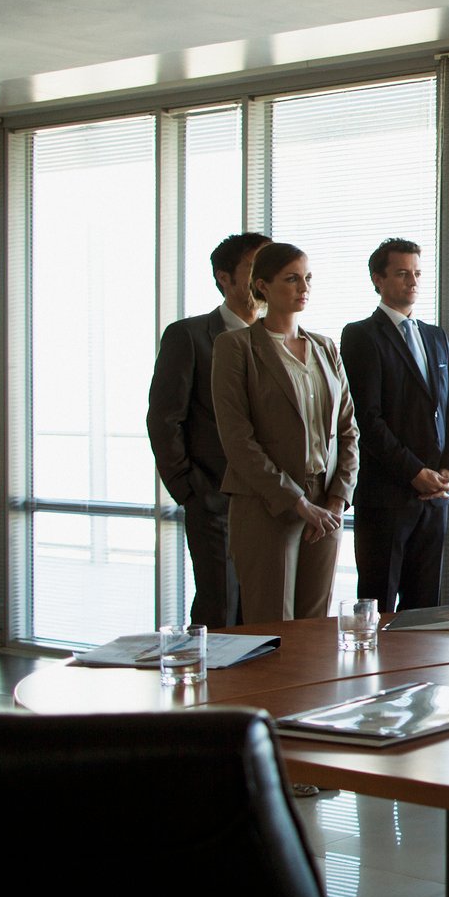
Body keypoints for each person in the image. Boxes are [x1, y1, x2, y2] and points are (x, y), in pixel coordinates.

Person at [212, 242, 359, 623]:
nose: (303, 287)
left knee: (315, 629)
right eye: (291, 279)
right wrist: (297, 502)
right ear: (262, 285)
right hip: (266, 503)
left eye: (307, 278)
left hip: (325, 503)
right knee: (273, 627)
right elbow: (237, 440)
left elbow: (348, 432)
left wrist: (337, 500)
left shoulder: (326, 347)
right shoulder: (235, 347)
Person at [146, 232, 268, 629]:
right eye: (253, 270)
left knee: (268, 618)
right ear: (225, 278)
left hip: (275, 503)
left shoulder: (283, 340)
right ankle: (212, 692)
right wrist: (191, 490)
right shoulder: (190, 335)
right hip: (215, 498)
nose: (262, 281)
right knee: (221, 611)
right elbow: (164, 419)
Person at [340, 238, 449, 612]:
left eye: (417, 273)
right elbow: (367, 419)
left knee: (424, 611)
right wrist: (414, 472)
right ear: (378, 279)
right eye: (402, 273)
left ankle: (419, 674)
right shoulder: (361, 335)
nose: (412, 281)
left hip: (435, 496)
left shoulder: (435, 336)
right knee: (379, 606)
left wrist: (447, 470)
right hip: (387, 496)